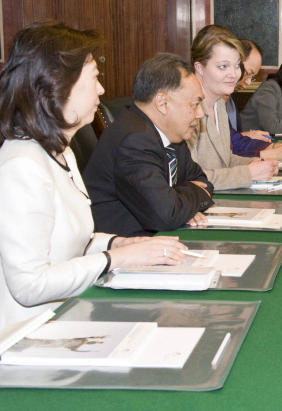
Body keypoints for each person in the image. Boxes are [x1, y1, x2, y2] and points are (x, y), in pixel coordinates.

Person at [0, 21, 188, 329]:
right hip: (29, 336)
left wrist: (116, 244)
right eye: (94, 78)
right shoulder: (21, 166)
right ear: (57, 85)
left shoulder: (61, 149)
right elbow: (30, 286)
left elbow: (70, 242)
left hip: (69, 318)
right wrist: (116, 260)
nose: (101, 89)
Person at [84, 53, 215, 237]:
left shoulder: (172, 136)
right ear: (162, 103)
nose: (200, 114)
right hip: (123, 251)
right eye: (194, 104)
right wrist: (180, 200)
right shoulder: (133, 140)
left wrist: (177, 201)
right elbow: (166, 215)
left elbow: (203, 182)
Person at [188, 25, 282, 190]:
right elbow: (192, 179)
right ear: (199, 67)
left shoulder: (219, 104)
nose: (234, 74)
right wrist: (249, 173)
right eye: (223, 66)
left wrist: (260, 164)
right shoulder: (187, 110)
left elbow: (225, 160)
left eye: (237, 65)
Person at [227, 38, 270, 157]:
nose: (249, 82)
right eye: (248, 73)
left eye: (253, 77)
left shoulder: (230, 97)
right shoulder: (215, 98)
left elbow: (232, 137)